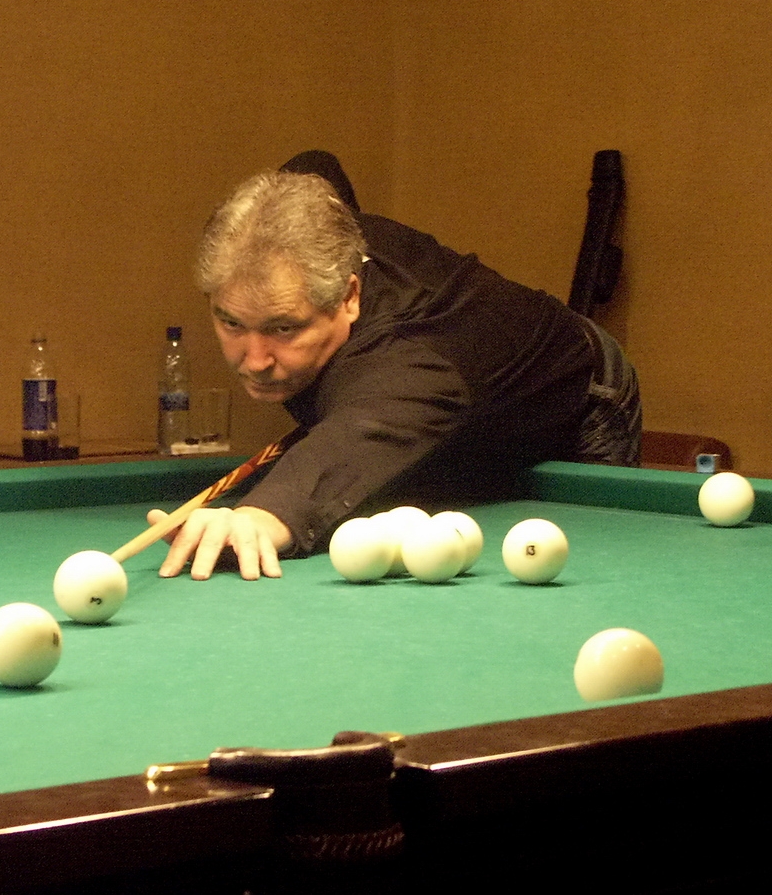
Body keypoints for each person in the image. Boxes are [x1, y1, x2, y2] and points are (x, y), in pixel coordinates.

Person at [154, 154, 641, 581]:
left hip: (581, 396)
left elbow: (362, 430)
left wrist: (260, 516)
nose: (255, 359)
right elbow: (316, 163)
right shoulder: (318, 226)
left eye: (283, 328)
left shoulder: (412, 364)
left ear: (349, 296)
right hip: (461, 402)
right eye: (231, 322)